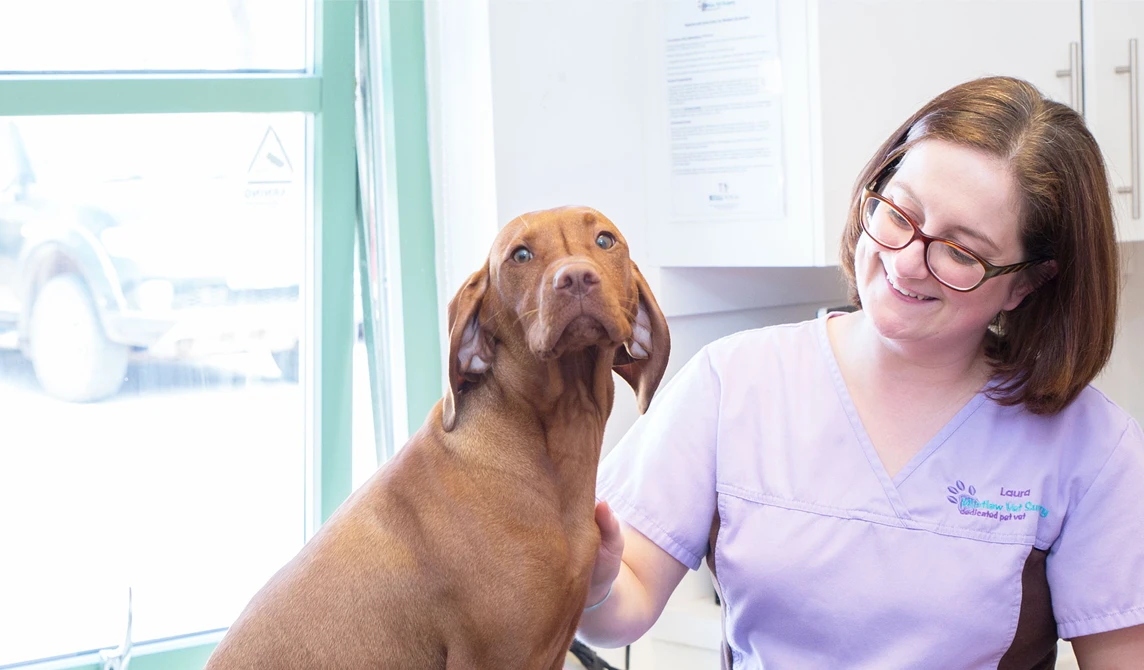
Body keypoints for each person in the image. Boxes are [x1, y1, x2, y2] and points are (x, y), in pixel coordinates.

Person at [577, 76, 1144, 668]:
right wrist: (592, 582)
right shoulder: (734, 381)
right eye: (900, 212)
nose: (905, 262)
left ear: (1026, 282)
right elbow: (626, 603)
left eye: (960, 251)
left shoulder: (1093, 449)